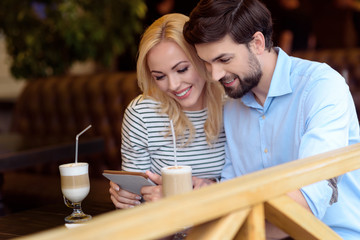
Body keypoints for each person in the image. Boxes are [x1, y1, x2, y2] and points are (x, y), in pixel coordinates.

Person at [183, 0, 360, 239]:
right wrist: (207, 192)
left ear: (257, 43)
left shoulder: (321, 87)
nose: (214, 75)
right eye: (207, 63)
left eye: (224, 60)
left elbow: (308, 201)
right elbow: (235, 188)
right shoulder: (232, 105)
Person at [109, 13, 226, 209]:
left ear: (201, 57)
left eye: (181, 69)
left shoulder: (232, 103)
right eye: (160, 76)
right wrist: (127, 197)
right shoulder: (142, 114)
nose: (174, 85)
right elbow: (137, 200)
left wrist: (212, 188)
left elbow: (254, 177)